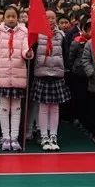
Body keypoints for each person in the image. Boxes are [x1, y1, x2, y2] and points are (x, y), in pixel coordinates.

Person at [0, 6, 32, 152]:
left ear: (18, 17)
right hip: (2, 75)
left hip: (18, 74)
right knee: (4, 107)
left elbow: (25, 50)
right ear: (4, 18)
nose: (11, 19)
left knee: (17, 108)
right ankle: (5, 137)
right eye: (8, 16)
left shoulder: (24, 32)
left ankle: (14, 138)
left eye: (14, 16)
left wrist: (28, 53)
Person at [32, 10, 69, 151]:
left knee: (54, 107)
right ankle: (44, 136)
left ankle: (53, 135)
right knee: (43, 107)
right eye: (47, 18)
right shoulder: (37, 36)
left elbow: (65, 54)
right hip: (42, 74)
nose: (50, 20)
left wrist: (64, 71)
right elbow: (33, 53)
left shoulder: (61, 36)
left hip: (57, 74)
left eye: (53, 18)